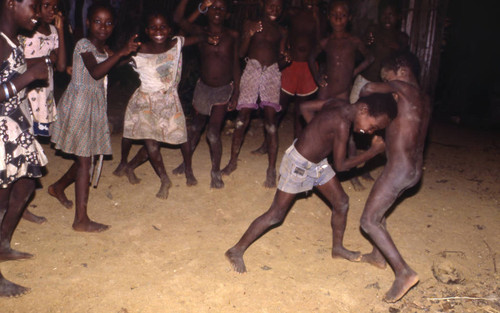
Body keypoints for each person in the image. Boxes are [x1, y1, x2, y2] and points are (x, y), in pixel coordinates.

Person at [226, 93, 398, 273]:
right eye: (372, 127)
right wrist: (372, 152)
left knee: (341, 202)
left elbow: (304, 107)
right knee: (276, 214)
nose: (370, 132)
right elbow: (340, 165)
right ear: (364, 109)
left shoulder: (339, 103)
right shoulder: (342, 123)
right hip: (298, 164)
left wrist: (317, 131)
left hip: (317, 163)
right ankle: (236, 250)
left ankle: (337, 249)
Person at [48, 3, 139, 232]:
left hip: (93, 106)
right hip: (79, 105)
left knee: (83, 158)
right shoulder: (83, 44)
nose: (103, 27)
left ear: (114, 26)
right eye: (97, 21)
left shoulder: (104, 49)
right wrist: (121, 52)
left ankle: (58, 186)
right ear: (88, 23)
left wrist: (135, 54)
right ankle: (80, 220)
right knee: (85, 161)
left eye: (108, 23)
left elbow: (114, 64)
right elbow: (96, 71)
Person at [359, 51, 431, 303]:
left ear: (401, 71)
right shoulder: (423, 98)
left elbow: (368, 87)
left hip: (399, 168)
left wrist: (370, 94)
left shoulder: (403, 87)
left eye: (387, 77)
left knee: (368, 220)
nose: (389, 84)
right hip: (413, 170)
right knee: (379, 211)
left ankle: (404, 272)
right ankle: (378, 256)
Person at [112, 11, 203, 199]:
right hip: (145, 103)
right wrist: (123, 50)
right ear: (147, 30)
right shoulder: (138, 49)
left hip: (169, 100)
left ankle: (185, 169)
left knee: (180, 136)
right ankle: (164, 179)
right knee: (152, 144)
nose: (158, 31)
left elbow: (202, 36)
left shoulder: (176, 44)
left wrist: (198, 12)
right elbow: (114, 64)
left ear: (170, 30)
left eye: (163, 27)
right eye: (153, 27)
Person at [0, 0, 49, 297]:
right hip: (2, 129)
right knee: (1, 201)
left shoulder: (11, 38)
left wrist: (31, 66)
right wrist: (29, 77)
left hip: (16, 126)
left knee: (26, 186)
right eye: (32, 5)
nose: (37, 12)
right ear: (11, 3)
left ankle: (3, 244)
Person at [303, 0, 375, 192]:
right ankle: (315, 165)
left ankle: (351, 173)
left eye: (342, 15)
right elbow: (311, 57)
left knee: (348, 134)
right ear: (329, 18)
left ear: (349, 18)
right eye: (334, 15)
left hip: (343, 92)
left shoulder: (354, 41)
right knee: (319, 126)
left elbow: (370, 57)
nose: (338, 18)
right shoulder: (326, 42)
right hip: (327, 91)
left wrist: (353, 72)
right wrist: (318, 76)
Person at [171, 0, 240, 189]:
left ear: (227, 14)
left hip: (224, 89)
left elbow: (235, 64)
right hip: (203, 88)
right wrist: (198, 6)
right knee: (195, 128)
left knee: (212, 132)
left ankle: (215, 171)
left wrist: (237, 92)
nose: (217, 11)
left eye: (222, 8)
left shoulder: (232, 35)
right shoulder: (200, 33)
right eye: (213, 7)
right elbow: (178, 19)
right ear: (207, 11)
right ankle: (186, 163)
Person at [221, 0, 288, 188]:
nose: (274, 9)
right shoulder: (250, 23)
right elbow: (241, 53)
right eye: (270, 5)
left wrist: (285, 59)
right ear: (263, 5)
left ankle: (271, 169)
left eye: (278, 7)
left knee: (271, 122)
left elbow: (281, 59)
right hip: (252, 69)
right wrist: (249, 34)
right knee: (242, 118)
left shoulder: (282, 31)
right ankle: (232, 161)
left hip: (272, 73)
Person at [251, 0, 326, 155]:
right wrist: (283, 51)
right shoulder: (292, 13)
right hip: (291, 66)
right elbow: (278, 28)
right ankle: (267, 143)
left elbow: (320, 43)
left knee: (300, 112)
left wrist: (317, 19)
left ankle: (296, 150)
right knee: (279, 107)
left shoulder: (321, 18)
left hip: (309, 68)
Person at [20, 0, 66, 224]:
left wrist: (62, 30)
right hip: (26, 98)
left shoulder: (53, 31)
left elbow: (61, 65)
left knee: (30, 151)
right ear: (35, 6)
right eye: (46, 5)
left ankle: (20, 204)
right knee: (24, 153)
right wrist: (47, 58)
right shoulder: (26, 30)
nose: (51, 10)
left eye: (55, 6)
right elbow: (19, 63)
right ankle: (19, 205)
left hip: (44, 98)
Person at [349, 0, 409, 104]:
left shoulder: (401, 38)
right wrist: (365, 42)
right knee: (354, 106)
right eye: (383, 14)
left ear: (398, 16)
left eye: (391, 14)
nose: (387, 18)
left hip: (385, 85)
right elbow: (359, 53)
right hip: (365, 79)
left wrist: (398, 49)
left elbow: (405, 62)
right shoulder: (373, 30)